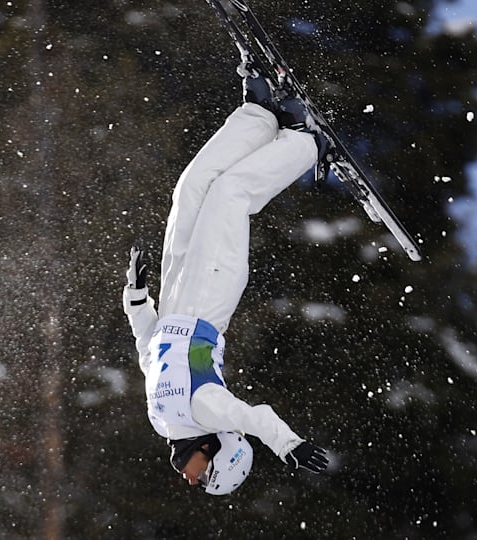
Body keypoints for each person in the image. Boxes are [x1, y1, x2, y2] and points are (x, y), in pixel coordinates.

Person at [123, 65, 330, 495]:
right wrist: (288, 445)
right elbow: (254, 418)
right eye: (205, 476)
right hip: (208, 298)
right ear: (218, 451)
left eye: (197, 481)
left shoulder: (161, 419)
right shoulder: (206, 412)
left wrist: (137, 298)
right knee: (230, 193)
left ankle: (259, 117)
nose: (189, 477)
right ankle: (306, 144)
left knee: (191, 190)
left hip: (174, 297)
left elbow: (149, 351)